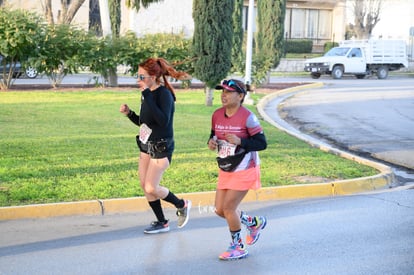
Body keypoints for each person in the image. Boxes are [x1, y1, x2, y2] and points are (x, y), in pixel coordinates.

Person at [120, 57, 191, 234]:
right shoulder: (148, 95)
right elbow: (145, 123)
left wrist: (147, 95)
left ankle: (181, 204)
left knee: (152, 187)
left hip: (161, 147)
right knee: (145, 186)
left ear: (153, 76)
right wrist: (130, 114)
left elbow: (162, 121)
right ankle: (162, 222)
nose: (138, 80)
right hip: (146, 146)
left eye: (141, 76)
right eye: (138, 76)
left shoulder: (163, 94)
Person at [207, 79, 268, 260]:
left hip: (245, 168)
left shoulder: (248, 117)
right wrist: (211, 142)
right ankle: (254, 223)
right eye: (222, 91)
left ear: (240, 96)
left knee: (228, 208)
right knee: (219, 209)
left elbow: (262, 143)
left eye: (228, 92)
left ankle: (238, 246)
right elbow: (213, 135)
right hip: (227, 166)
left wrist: (241, 141)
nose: (223, 95)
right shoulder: (217, 115)